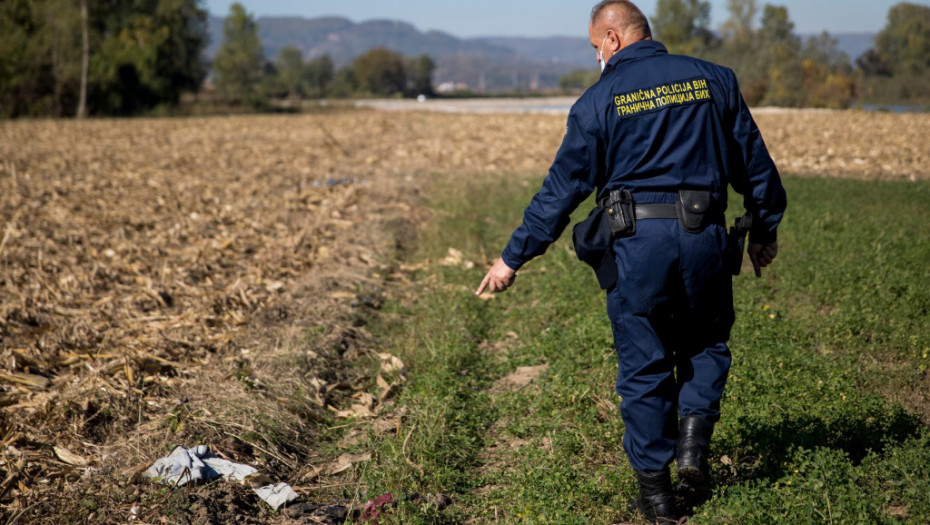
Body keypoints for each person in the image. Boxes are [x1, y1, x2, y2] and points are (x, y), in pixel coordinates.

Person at [475, 1, 787, 522]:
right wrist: (764, 229)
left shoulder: (597, 103)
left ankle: (659, 499)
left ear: (612, 39)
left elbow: (560, 193)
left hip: (637, 246)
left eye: (595, 44)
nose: (596, 54)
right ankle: (692, 448)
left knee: (643, 367)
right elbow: (753, 164)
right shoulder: (715, 80)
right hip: (704, 236)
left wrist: (513, 258)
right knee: (707, 343)